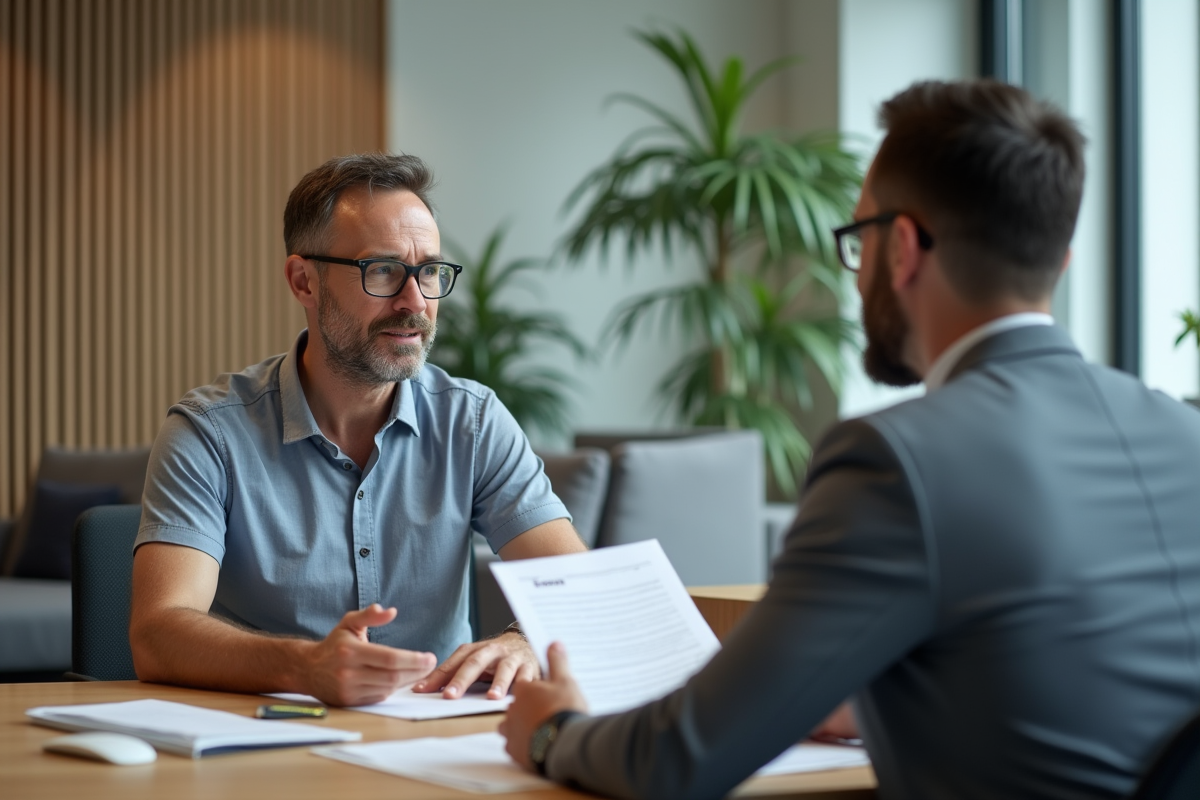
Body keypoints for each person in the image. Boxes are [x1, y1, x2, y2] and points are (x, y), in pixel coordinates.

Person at [500, 80, 1200, 799]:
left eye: (857, 236)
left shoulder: (897, 460)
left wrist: (557, 730)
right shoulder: (1186, 433)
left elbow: (680, 759)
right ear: (1060, 260)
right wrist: (871, 696)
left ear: (899, 248)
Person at [129, 154, 587, 707]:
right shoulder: (210, 434)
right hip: (271, 740)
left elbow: (578, 589)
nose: (416, 302)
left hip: (440, 740)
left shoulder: (473, 422)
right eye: (384, 271)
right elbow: (157, 634)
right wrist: (306, 666)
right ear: (304, 281)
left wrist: (525, 642)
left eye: (430, 272)